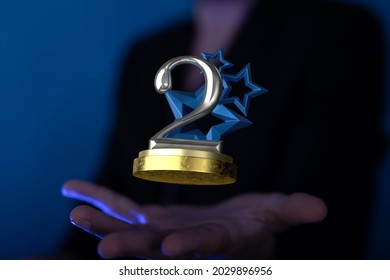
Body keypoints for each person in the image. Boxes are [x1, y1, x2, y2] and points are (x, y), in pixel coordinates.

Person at [61, 0, 385, 259]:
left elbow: (335, 196)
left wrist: (265, 249)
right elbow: (112, 181)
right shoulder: (144, 53)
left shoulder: (336, 30)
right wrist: (67, 259)